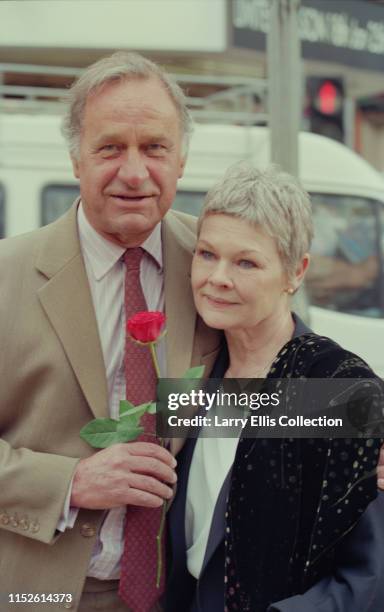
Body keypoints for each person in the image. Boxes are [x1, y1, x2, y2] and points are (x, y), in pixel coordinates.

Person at [0, 51, 221, 612]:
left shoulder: (219, 263)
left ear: (182, 159)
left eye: (154, 148)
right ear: (75, 158)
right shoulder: (7, 276)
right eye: (109, 148)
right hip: (32, 593)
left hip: (182, 596)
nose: (134, 171)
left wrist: (376, 434)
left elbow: (286, 395)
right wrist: (69, 483)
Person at [165, 163, 384, 612]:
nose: (217, 277)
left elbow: (375, 576)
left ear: (296, 272)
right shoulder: (195, 370)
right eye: (206, 254)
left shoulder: (338, 388)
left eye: (246, 262)